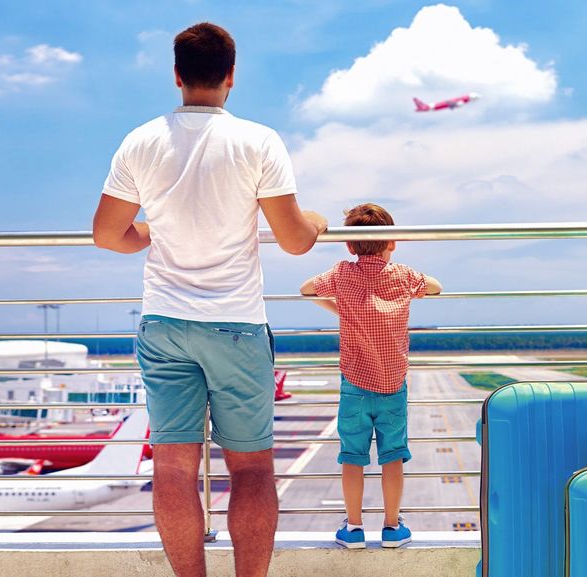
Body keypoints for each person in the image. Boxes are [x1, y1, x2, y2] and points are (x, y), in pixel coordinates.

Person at [92, 22, 327, 577]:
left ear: (177, 76)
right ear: (231, 78)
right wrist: (315, 221)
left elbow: (107, 235)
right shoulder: (259, 141)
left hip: (164, 323)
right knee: (251, 471)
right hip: (234, 324)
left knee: (172, 468)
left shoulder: (141, 140)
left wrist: (150, 231)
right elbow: (294, 241)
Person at [300, 203, 442, 549]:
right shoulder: (403, 276)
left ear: (350, 245)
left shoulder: (342, 274)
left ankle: (353, 527)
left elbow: (306, 289)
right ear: (391, 242)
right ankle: (392, 527)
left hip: (355, 385)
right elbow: (436, 287)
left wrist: (342, 309)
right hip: (393, 384)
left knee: (352, 455)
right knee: (393, 455)